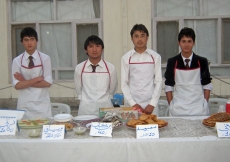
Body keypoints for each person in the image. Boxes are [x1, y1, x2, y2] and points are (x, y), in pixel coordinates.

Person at [164, 27, 212, 116]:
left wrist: (204, 103)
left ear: (194, 43)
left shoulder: (202, 61)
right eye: (184, 41)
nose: (186, 44)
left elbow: (207, 85)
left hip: (199, 109)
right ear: (179, 43)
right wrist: (171, 105)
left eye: (189, 41)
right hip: (178, 109)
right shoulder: (172, 62)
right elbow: (168, 86)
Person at [12, 27, 53, 118]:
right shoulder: (17, 61)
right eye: (26, 40)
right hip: (24, 104)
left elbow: (47, 83)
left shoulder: (45, 58)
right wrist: (37, 79)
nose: (29, 43)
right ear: (22, 42)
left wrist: (24, 81)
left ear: (37, 41)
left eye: (32, 39)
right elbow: (17, 86)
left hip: (42, 105)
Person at [121, 24, 162, 115]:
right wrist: (133, 103)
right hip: (133, 106)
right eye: (136, 36)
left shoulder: (155, 57)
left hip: (151, 106)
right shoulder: (126, 58)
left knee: (153, 128)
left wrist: (152, 104)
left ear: (147, 38)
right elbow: (124, 83)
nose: (139, 39)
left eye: (142, 36)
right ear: (132, 39)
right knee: (132, 128)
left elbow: (158, 81)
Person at [74, 35, 118, 116]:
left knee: (106, 128)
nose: (94, 49)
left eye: (98, 46)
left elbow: (112, 89)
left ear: (102, 49)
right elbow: (78, 89)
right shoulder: (79, 68)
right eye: (91, 46)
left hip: (106, 108)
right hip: (86, 109)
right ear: (85, 50)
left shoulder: (110, 68)